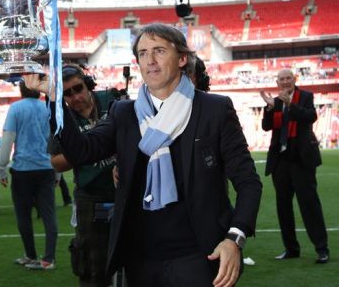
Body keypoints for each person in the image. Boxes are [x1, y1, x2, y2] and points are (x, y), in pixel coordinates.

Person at [25, 23, 262, 287]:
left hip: (199, 256)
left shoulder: (214, 110)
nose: (150, 60)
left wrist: (235, 239)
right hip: (141, 261)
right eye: (142, 53)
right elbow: (82, 150)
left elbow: (248, 182)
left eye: (159, 50)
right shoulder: (123, 113)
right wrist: (56, 98)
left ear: (182, 58)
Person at [48, 64, 117, 287]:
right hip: (91, 197)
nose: (75, 97)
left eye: (78, 88)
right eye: (67, 94)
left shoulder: (113, 100)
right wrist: (84, 150)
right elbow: (56, 162)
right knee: (92, 263)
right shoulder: (62, 119)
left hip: (127, 190)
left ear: (88, 84)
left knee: (136, 254)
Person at [260, 69, 329, 263]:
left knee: (309, 204)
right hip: (280, 160)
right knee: (283, 206)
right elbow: (267, 126)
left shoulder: (305, 96)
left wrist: (291, 104)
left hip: (301, 159)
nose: (285, 81)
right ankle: (291, 248)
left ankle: (322, 249)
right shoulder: (275, 101)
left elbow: (310, 117)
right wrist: (269, 108)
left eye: (288, 78)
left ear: (294, 79)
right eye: (281, 79)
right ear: (277, 81)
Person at [0, 81, 58, 270]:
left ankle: (31, 255)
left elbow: (8, 138)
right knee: (49, 214)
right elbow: (55, 139)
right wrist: (58, 172)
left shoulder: (15, 108)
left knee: (23, 216)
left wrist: (2, 167)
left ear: (21, 90)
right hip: (46, 168)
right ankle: (48, 258)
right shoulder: (48, 109)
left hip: (23, 169)